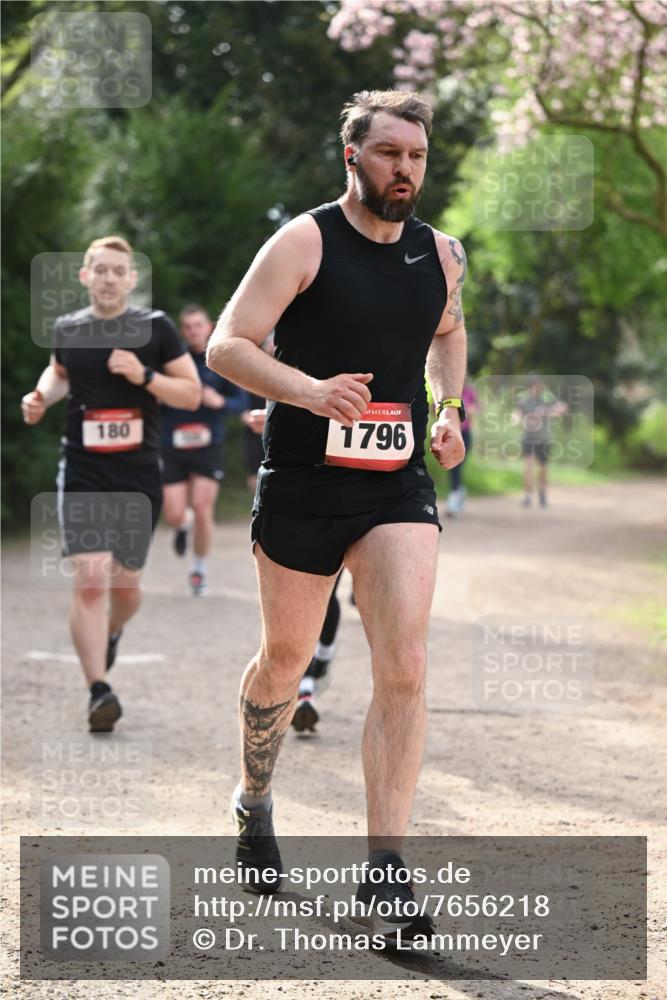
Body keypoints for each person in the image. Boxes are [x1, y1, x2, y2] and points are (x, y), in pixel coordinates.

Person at [207, 89, 467, 938]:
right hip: (303, 480)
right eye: (389, 153)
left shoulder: (442, 255)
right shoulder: (304, 240)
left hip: (396, 481)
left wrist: (447, 408)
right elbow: (229, 344)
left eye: (417, 156)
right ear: (351, 156)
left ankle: (385, 872)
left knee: (406, 661)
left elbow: (447, 333)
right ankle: (253, 798)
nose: (405, 169)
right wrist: (311, 392)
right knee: (284, 661)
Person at [21, 236, 200, 732]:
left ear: (131, 279)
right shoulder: (68, 329)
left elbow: (190, 394)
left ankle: (110, 633)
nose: (108, 278)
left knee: (125, 588)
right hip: (82, 469)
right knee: (91, 577)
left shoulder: (155, 328)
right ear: (84, 276)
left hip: (137, 473)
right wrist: (41, 396)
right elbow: (59, 372)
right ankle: (98, 690)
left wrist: (142, 375)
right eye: (99, 270)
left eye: (117, 271)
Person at [242, 405, 344, 734]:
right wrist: (271, 414)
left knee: (327, 591)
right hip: (299, 485)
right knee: (305, 595)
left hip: (358, 484)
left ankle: (316, 669)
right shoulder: (278, 355)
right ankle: (308, 684)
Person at [161, 304, 249, 595]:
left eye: (197, 325)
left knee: (202, 508)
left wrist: (220, 403)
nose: (192, 331)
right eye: (187, 327)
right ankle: (182, 526)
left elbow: (241, 402)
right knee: (174, 514)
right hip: (172, 445)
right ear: (182, 331)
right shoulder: (172, 361)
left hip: (207, 446)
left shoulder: (219, 360)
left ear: (208, 327)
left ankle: (198, 568)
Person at [517, 373, 567, 508]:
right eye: (534, 385)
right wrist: (520, 420)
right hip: (529, 438)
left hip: (544, 438)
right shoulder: (524, 400)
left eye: (539, 385)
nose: (537, 387)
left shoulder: (547, 397)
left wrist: (546, 411)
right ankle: (527, 495)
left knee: (543, 469)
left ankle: (542, 493)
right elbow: (517, 415)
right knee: (528, 466)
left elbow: (562, 408)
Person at [445, 380, 479, 517]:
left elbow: (477, 408)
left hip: (465, 434)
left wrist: (470, 410)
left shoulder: (469, 391)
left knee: (457, 466)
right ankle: (457, 493)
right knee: (453, 466)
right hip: (451, 432)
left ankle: (455, 495)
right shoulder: (446, 389)